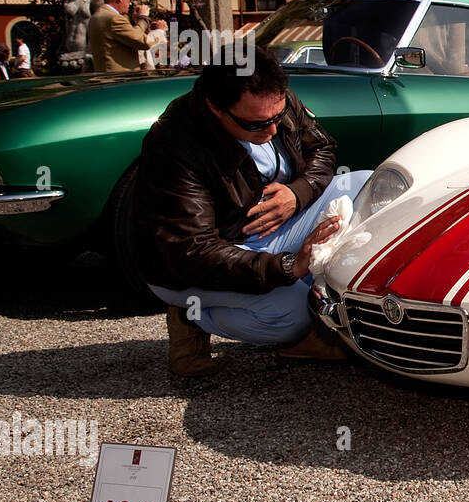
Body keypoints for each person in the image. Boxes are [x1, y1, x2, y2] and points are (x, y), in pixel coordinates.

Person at [131, 48, 373, 376]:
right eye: (256, 124)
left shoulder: (271, 96)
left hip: (267, 227)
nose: (272, 131)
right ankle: (189, 314)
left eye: (278, 116)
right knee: (292, 313)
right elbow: (195, 251)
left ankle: (330, 304)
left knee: (368, 186)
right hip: (196, 261)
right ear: (215, 107)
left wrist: (297, 194)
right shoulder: (174, 145)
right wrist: (289, 266)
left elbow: (322, 147)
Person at [88, 0, 155, 72]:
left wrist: (134, 20)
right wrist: (143, 19)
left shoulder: (97, 16)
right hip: (120, 79)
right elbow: (143, 42)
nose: (130, 3)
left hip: (105, 76)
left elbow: (124, 37)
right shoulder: (113, 19)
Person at [58, 0, 98, 73]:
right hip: (68, 53)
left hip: (86, 53)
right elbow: (67, 26)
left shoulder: (95, 0)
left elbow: (99, 28)